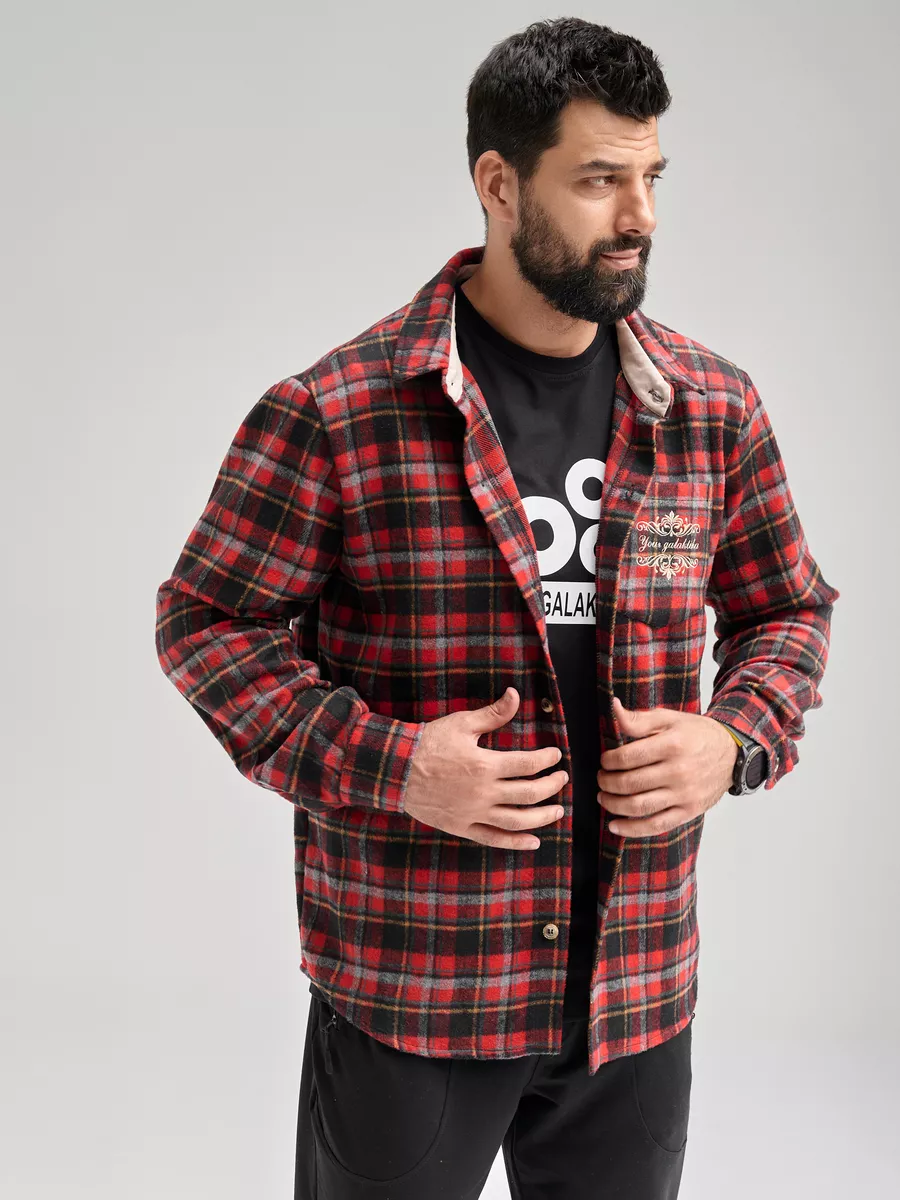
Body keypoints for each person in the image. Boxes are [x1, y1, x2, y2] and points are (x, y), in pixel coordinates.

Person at [154, 16, 840, 1199]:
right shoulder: (341, 412)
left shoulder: (711, 409)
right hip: (419, 983)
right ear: (500, 184)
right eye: (599, 180)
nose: (640, 216)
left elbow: (788, 608)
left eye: (652, 177)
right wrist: (390, 764)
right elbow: (207, 624)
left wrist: (733, 739)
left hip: (633, 991)